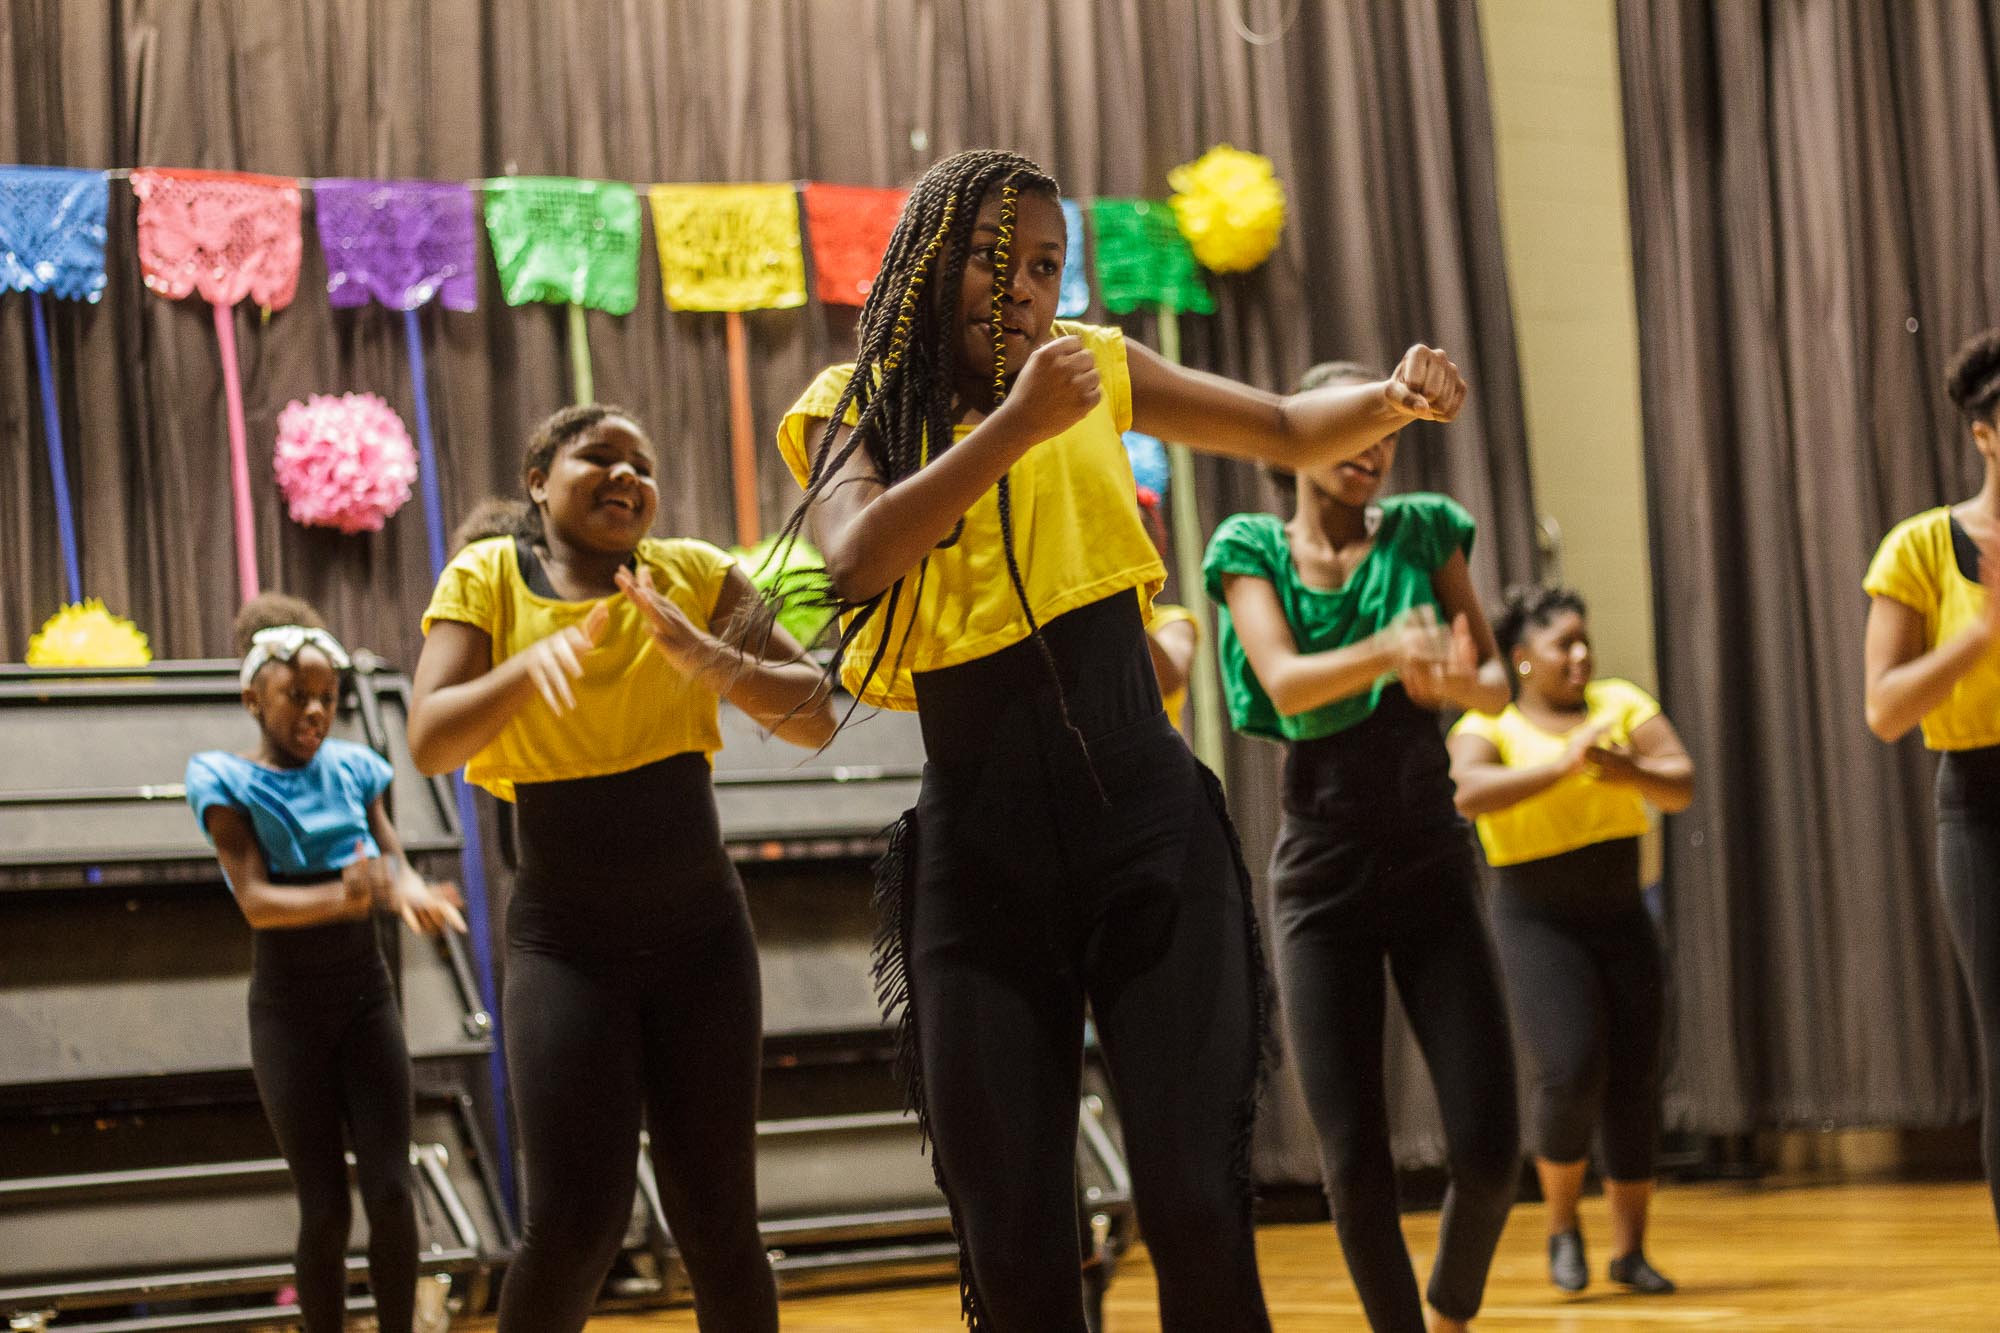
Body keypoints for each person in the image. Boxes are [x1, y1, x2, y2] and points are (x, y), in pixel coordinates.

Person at [768, 148, 1468, 1332]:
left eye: (1045, 265)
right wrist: (1014, 429)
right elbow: (850, 561)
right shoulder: (856, 402)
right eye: (995, 260)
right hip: (979, 859)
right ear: (930, 264)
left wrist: (1394, 398)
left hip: (1145, 833)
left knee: (1197, 1206)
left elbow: (1292, 426)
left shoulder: (1088, 365)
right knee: (1015, 1244)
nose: (1024, 290)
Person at [407, 404, 836, 1333]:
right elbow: (432, 738)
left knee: (720, 1225)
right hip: (567, 948)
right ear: (537, 480)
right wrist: (532, 665)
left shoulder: (693, 574)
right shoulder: (488, 577)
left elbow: (816, 712)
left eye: (642, 465)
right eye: (598, 455)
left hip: (702, 944)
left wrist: (709, 656)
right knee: (573, 1226)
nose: (627, 476)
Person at [1205, 360, 1515, 1333]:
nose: (1373, 452)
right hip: (1320, 866)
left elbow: (1495, 681)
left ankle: (1451, 1306)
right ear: (1303, 437)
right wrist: (1390, 654)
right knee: (1354, 1148)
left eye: (1386, 435)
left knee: (1489, 1138)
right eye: (1354, 431)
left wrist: (1452, 689)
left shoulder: (1422, 529)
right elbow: (1287, 685)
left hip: (1430, 845)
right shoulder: (1247, 543)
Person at [186, 593, 466, 1333]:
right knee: (325, 1205)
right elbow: (255, 900)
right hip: (287, 1015)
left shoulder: (356, 767)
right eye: (296, 697)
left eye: (326, 699)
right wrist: (354, 896)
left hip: (366, 1003)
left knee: (393, 1192)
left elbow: (391, 860)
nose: (314, 712)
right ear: (253, 697)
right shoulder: (224, 780)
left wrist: (411, 893)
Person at [1446, 585, 1693, 1295]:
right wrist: (1563, 765)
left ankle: (1630, 1249)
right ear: (1522, 658)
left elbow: (1681, 783)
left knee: (1636, 1077)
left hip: (1621, 911)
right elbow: (1464, 789)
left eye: (1584, 640)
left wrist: (1630, 769)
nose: (1581, 655)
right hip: (1535, 918)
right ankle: (1562, 1226)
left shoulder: (1621, 703)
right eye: (1563, 644)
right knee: (1571, 1067)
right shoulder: (1488, 721)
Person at [1864, 327, 2000, 1234]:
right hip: (1983, 807)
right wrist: (1979, 636)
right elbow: (1884, 708)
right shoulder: (1920, 545)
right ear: (1984, 432)